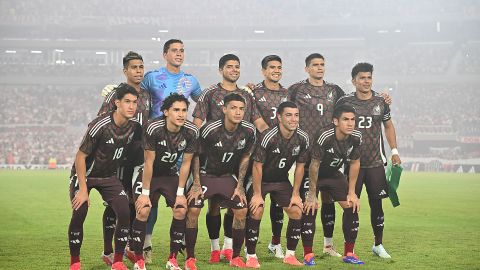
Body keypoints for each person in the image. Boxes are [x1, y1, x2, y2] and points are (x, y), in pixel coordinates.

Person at [192, 54, 268, 263]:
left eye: (237, 66)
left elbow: (258, 122)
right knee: (214, 204)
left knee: (236, 203)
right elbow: (197, 122)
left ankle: (228, 246)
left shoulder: (246, 95)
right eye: (229, 67)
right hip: (213, 157)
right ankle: (215, 248)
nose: (234, 70)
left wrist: (273, 138)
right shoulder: (209, 93)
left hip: (237, 156)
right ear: (220, 70)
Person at [68, 84, 141, 270]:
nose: (131, 106)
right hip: (86, 175)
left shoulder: (135, 128)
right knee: (80, 211)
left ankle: (117, 261)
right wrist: (83, 189)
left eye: (134, 102)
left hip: (109, 177)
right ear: (117, 103)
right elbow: (80, 156)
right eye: (127, 102)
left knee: (124, 212)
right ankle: (75, 262)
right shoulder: (100, 125)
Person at [336, 62, 401, 259]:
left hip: (375, 163)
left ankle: (378, 244)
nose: (366, 81)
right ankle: (349, 249)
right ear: (354, 80)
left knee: (377, 205)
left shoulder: (381, 101)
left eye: (369, 77)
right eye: (362, 78)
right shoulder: (344, 102)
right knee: (350, 205)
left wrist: (394, 150)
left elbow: (388, 126)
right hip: (351, 163)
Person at [288, 53, 347, 264]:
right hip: (305, 153)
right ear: (307, 69)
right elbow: (282, 108)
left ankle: (329, 245)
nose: (320, 68)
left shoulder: (335, 90)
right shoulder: (296, 89)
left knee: (329, 199)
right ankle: (305, 250)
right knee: (307, 203)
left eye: (322, 64)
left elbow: (351, 107)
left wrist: (382, 97)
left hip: (330, 153)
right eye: (315, 65)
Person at [128, 93, 199, 270]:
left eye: (184, 110)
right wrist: (144, 195)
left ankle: (172, 259)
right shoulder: (153, 128)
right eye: (176, 110)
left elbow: (186, 163)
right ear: (166, 112)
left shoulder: (191, 131)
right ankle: (139, 260)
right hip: (148, 174)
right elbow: (148, 162)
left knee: (181, 209)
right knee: (143, 210)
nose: (181, 114)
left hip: (169, 174)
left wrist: (181, 193)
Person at [186, 93, 256, 268]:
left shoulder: (248, 130)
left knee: (241, 210)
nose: (238, 112)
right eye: (233, 108)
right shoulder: (210, 129)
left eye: (241, 109)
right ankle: (195, 256)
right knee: (193, 209)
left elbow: (245, 158)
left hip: (226, 176)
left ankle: (236, 257)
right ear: (224, 109)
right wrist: (195, 183)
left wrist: (240, 186)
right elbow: (195, 155)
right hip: (205, 175)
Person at [97, 51, 151, 266]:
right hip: (118, 157)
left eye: (141, 67)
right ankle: (108, 250)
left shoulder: (146, 95)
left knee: (132, 201)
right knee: (114, 203)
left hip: (138, 156)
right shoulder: (115, 94)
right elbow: (102, 121)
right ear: (125, 71)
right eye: (134, 67)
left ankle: (127, 246)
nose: (138, 71)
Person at [246, 101, 309, 267]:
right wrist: (258, 194)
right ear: (279, 117)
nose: (293, 119)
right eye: (289, 115)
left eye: (296, 115)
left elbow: (300, 168)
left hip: (281, 180)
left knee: (296, 211)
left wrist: (296, 194)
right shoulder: (269, 136)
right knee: (257, 210)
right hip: (261, 180)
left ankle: (290, 255)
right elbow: (257, 166)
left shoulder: (302, 138)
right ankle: (251, 255)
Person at [303, 104, 364, 265]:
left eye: (353, 120)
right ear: (335, 121)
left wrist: (352, 192)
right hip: (312, 174)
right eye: (345, 119)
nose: (350, 123)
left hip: (333, 174)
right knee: (311, 207)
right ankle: (308, 254)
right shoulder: (325, 135)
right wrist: (311, 193)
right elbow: (314, 165)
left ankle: (349, 253)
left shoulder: (356, 136)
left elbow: (355, 162)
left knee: (352, 205)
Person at [249, 55, 289, 259]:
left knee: (278, 203)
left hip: (280, 157)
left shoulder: (288, 93)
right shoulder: (254, 92)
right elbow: (259, 123)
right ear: (264, 70)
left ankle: (275, 243)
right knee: (253, 204)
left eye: (279, 67)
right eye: (272, 67)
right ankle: (243, 248)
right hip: (258, 154)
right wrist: (275, 140)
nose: (276, 70)